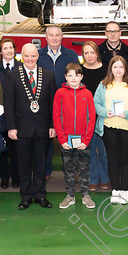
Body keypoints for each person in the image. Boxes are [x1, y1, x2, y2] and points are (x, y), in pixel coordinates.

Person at [4, 44, 57, 210]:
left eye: (33, 56)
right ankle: (25, 196)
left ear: (38, 56)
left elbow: (52, 103)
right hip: (21, 129)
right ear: (21, 56)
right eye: (26, 56)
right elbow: (9, 104)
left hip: (42, 129)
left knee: (41, 164)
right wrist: (11, 127)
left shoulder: (48, 75)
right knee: (23, 165)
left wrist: (52, 125)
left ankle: (41, 195)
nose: (30, 59)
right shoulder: (12, 76)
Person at [94, 56, 128, 205]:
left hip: (127, 128)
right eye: (115, 67)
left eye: (121, 67)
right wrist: (105, 112)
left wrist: (127, 114)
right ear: (111, 69)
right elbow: (95, 103)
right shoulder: (103, 85)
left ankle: (124, 190)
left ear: (125, 69)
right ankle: (115, 189)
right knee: (112, 159)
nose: (118, 70)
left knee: (126, 160)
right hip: (109, 127)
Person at [53, 63, 98, 209]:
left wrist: (86, 140)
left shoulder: (87, 94)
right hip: (66, 140)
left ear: (81, 77)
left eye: (76, 75)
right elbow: (57, 117)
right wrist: (62, 139)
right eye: (70, 75)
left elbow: (92, 118)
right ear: (65, 77)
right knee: (69, 168)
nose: (73, 78)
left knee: (84, 168)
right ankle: (69, 195)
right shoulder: (60, 93)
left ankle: (85, 195)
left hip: (83, 141)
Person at [38, 25, 79, 179]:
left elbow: (76, 77)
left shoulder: (71, 55)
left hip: (66, 102)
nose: (54, 38)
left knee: (68, 135)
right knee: (46, 137)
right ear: (46, 37)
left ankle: (70, 170)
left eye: (57, 35)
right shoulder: (38, 55)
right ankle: (46, 171)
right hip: (44, 102)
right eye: (51, 35)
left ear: (62, 37)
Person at [0, 37, 22, 190]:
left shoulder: (22, 67)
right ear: (0, 51)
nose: (9, 51)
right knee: (1, 147)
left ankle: (16, 177)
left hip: (17, 115)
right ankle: (4, 178)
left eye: (11, 48)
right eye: (5, 48)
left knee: (16, 148)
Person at [80, 41, 110, 192]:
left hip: (103, 115)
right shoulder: (80, 71)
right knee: (89, 150)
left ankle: (105, 178)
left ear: (97, 53)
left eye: (92, 52)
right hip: (85, 117)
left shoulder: (106, 70)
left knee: (104, 150)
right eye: (86, 53)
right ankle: (92, 178)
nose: (89, 56)